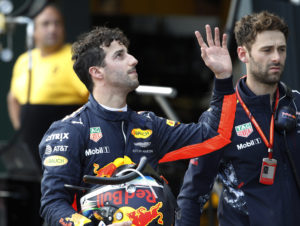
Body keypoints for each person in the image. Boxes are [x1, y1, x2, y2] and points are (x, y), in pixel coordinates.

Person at [39, 26, 236, 226]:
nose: (133, 60)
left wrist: (223, 79)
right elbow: (53, 204)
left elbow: (214, 136)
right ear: (97, 72)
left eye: (128, 53)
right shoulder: (69, 130)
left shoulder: (148, 125)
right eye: (119, 55)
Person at [176, 11, 300, 226]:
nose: (277, 58)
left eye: (281, 49)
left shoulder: (297, 104)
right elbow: (193, 194)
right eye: (267, 50)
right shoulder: (220, 118)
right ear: (243, 54)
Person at [7, 3, 89, 168]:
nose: (52, 29)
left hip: (66, 146)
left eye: (57, 23)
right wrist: (21, 132)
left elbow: (95, 97)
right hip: (31, 147)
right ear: (33, 31)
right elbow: (12, 98)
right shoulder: (24, 60)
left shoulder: (76, 57)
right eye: (46, 24)